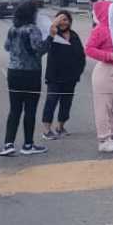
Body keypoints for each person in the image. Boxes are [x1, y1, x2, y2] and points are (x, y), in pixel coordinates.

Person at [0, 0, 49, 157]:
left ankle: (8, 143)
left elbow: (6, 47)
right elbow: (39, 49)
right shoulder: (33, 29)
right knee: (30, 109)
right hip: (30, 73)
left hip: (13, 72)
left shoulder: (13, 29)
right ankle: (28, 144)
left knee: (14, 109)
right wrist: (51, 38)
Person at [85, 1, 113, 153]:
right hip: (105, 69)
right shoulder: (100, 29)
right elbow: (89, 49)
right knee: (103, 107)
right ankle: (104, 140)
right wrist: (108, 55)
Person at [41, 10, 85, 140]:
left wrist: (78, 71)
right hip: (54, 77)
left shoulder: (74, 35)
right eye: (60, 20)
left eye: (65, 19)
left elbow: (81, 55)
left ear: (70, 21)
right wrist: (53, 28)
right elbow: (43, 49)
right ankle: (47, 130)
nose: (63, 22)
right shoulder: (52, 35)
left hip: (71, 78)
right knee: (51, 102)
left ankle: (60, 127)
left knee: (66, 103)